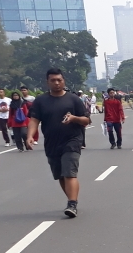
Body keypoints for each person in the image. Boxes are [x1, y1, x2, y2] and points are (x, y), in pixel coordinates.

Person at [26, 68, 90, 218]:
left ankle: (72, 204)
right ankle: (71, 200)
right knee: (60, 175)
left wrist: (74, 118)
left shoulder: (73, 99)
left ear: (64, 81)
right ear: (47, 82)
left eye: (59, 80)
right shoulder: (41, 101)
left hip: (72, 141)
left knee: (69, 172)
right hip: (52, 142)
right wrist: (30, 136)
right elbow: (34, 120)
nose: (56, 83)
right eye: (53, 80)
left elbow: (86, 120)